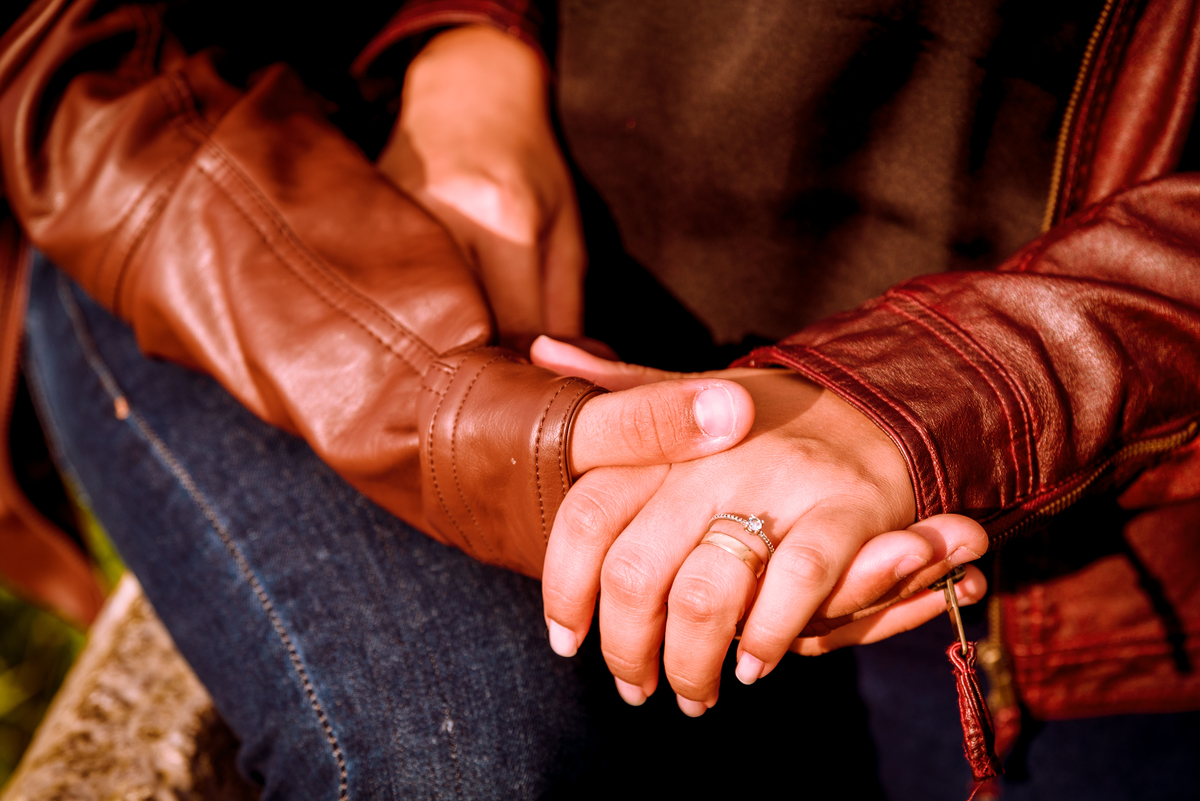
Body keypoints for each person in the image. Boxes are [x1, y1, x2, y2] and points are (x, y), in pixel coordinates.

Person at [1, 0, 1198, 798]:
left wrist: (943, 393)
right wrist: (468, 36)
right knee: (455, 760)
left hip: (1068, 555)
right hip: (383, 244)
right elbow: (61, 59)